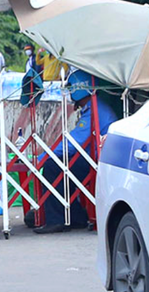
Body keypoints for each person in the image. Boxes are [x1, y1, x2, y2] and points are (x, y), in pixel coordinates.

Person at [33, 69, 118, 234]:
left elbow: (72, 143)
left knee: (52, 166)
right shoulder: (93, 106)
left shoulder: (96, 108)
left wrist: (43, 158)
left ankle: (56, 220)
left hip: (96, 160)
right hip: (91, 156)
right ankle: (76, 216)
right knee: (61, 166)